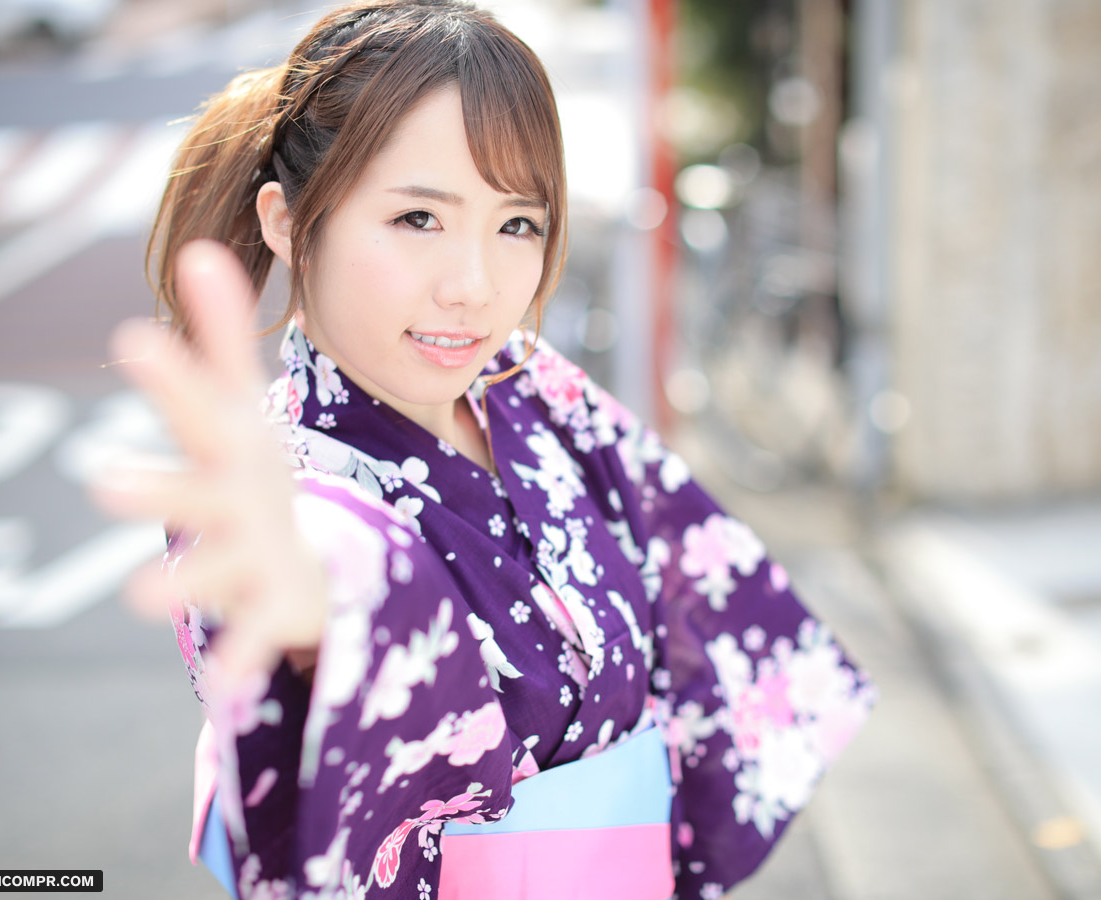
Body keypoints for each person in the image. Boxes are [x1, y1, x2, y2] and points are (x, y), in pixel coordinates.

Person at [91, 1, 876, 898]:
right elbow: (335, 575)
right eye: (417, 218)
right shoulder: (280, 496)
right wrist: (327, 614)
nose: (473, 286)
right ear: (287, 219)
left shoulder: (531, 388)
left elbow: (703, 593)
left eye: (516, 225)